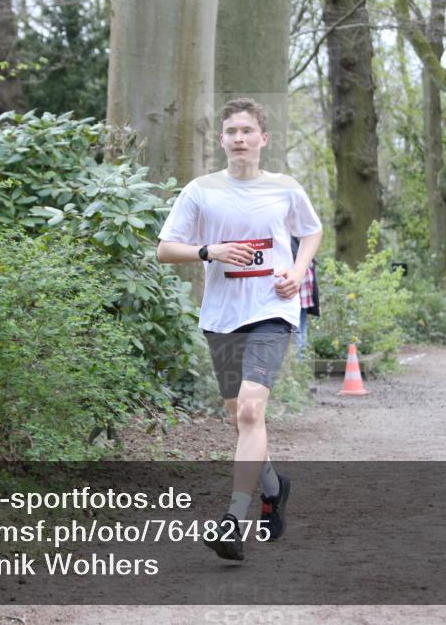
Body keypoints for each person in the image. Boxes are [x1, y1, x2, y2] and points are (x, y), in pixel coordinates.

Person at [157, 98, 322, 561]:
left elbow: (311, 231)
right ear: (223, 140)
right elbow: (166, 249)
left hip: (273, 311)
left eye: (248, 131)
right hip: (221, 318)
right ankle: (273, 487)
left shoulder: (285, 188)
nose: (239, 139)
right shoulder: (201, 190)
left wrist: (299, 272)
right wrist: (210, 251)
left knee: (251, 414)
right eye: (231, 131)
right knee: (239, 418)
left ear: (263, 139)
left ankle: (234, 518)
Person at [291, 236, 321, 359]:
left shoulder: (296, 243)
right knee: (299, 331)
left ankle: (300, 362)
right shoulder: (294, 243)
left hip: (302, 299)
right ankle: (299, 362)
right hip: (298, 298)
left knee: (301, 331)